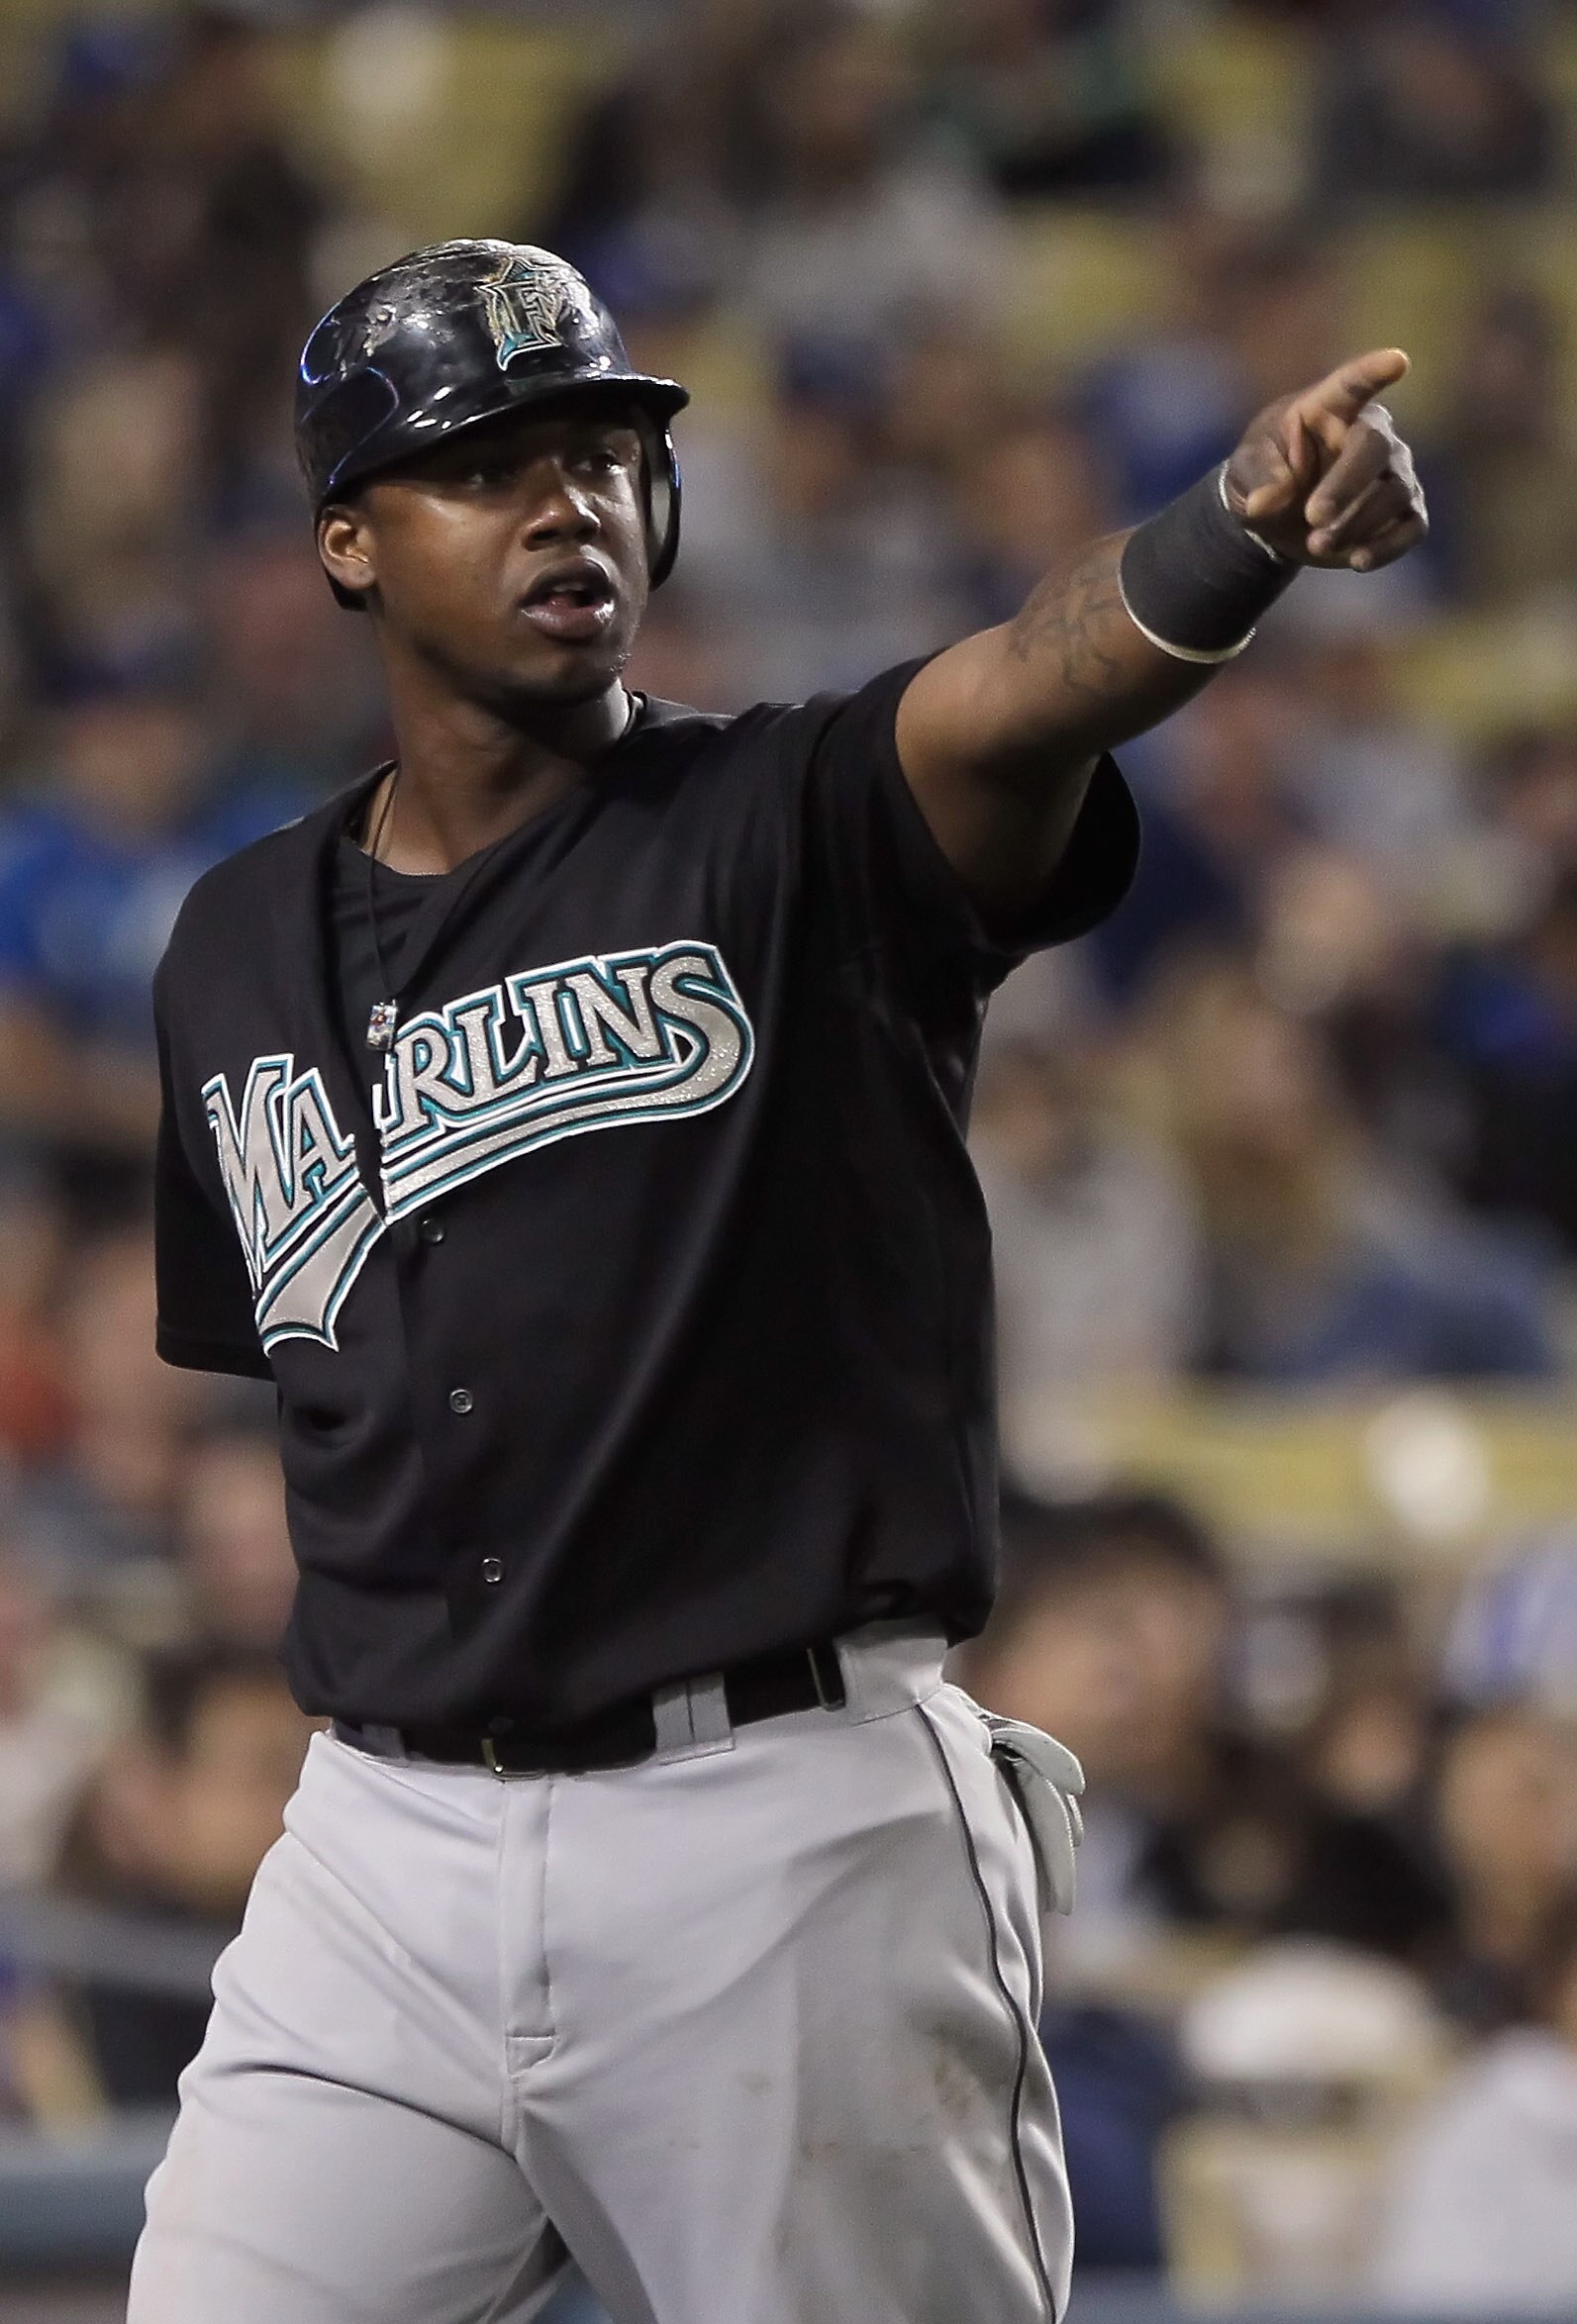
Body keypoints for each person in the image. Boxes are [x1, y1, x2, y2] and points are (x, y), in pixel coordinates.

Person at [135, 237, 1426, 2323]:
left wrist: (1233, 537)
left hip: (776, 1835)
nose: (571, 502)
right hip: (378, 1845)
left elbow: (1027, 684)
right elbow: (325, 1377)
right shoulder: (228, 946)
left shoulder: (791, 817)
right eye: (493, 465)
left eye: (604, 454)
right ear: (349, 544)